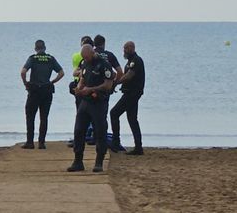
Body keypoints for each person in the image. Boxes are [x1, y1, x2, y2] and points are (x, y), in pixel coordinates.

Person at [68, 44, 114, 173]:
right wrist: (79, 88)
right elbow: (82, 77)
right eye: (84, 58)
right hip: (85, 102)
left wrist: (92, 89)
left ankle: (99, 162)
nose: (86, 60)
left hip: (98, 102)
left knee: (100, 132)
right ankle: (78, 161)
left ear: (93, 52)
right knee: (78, 130)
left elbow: (108, 84)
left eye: (87, 57)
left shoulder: (104, 64)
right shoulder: (85, 63)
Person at [20, 39, 64, 149]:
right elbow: (61, 73)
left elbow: (23, 72)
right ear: (45, 48)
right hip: (47, 90)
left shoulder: (33, 58)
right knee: (44, 117)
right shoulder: (50, 58)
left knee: (30, 116)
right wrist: (52, 81)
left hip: (34, 90)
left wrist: (26, 83)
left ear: (35, 49)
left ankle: (30, 142)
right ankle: (41, 143)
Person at [110, 41, 145, 155]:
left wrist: (115, 83)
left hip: (132, 94)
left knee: (114, 113)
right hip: (129, 93)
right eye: (123, 49)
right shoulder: (130, 61)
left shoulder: (136, 60)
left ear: (131, 48)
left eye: (125, 49)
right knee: (132, 119)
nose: (123, 51)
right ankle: (138, 147)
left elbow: (128, 76)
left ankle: (116, 142)